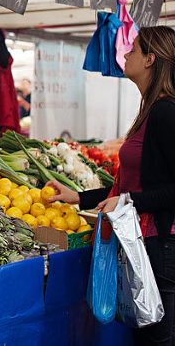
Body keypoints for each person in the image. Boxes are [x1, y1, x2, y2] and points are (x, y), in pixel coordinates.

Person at [48, 26, 175, 343]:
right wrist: (78, 196)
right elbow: (135, 183)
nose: (127, 54)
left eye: (133, 49)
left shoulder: (165, 113)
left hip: (164, 246)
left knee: (160, 337)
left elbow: (156, 191)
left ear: (150, 59)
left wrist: (130, 201)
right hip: (145, 244)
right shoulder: (149, 111)